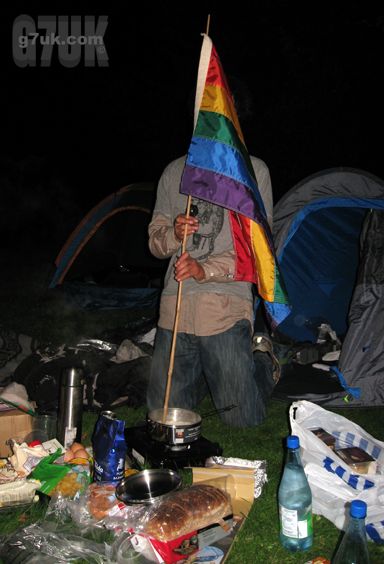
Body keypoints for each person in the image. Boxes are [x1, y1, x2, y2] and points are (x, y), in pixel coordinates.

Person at [146, 81, 280, 427]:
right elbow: (154, 243)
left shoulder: (254, 173)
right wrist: (174, 236)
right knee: (164, 419)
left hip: (224, 308)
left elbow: (257, 252)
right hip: (174, 308)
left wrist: (204, 269)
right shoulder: (175, 172)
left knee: (242, 421)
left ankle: (263, 362)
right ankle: (214, 376)